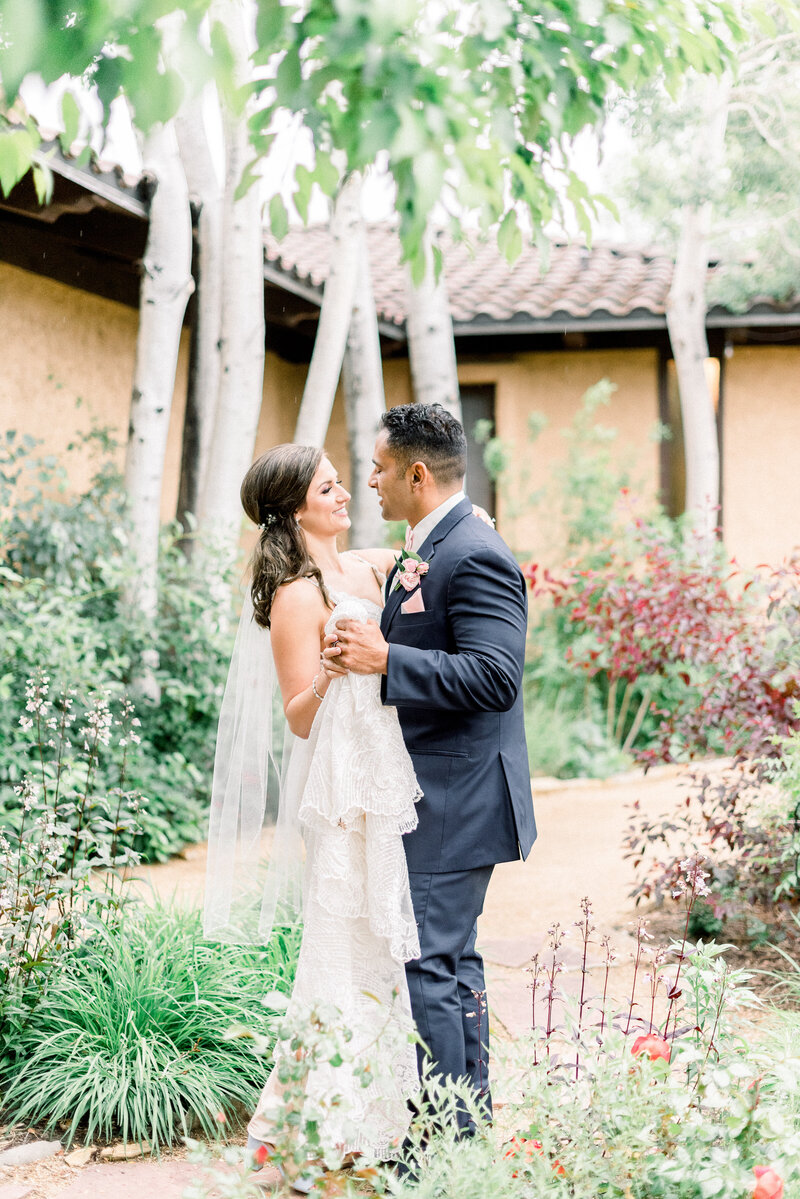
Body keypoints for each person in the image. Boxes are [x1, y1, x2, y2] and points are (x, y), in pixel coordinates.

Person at [204, 443, 423, 1187]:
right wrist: (330, 670)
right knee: (339, 939)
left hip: (385, 772)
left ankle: (381, 1115)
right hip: (335, 786)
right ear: (297, 507)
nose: (344, 492)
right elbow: (298, 717)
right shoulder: (296, 595)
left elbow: (410, 554)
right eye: (329, 485)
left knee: (386, 939)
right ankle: (309, 1121)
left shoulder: (361, 566)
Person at [323, 402, 536, 1136]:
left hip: (459, 794)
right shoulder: (428, 547)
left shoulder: (474, 552)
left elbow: (494, 675)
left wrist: (387, 660)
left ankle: (445, 1146)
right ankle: (463, 1133)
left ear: (416, 472)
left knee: (431, 967)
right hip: (436, 791)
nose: (370, 482)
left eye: (378, 468)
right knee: (449, 964)